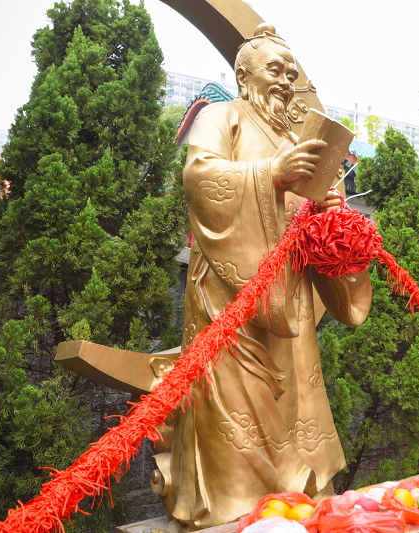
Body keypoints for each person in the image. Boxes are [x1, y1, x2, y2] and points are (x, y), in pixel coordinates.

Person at [150, 24, 372, 532]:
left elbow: (302, 222)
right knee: (235, 419)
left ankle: (294, 501)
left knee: (295, 412)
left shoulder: (295, 138)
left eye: (291, 74)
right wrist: (270, 174)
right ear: (244, 74)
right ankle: (234, 513)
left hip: (287, 308)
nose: (285, 83)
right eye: (275, 70)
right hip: (229, 306)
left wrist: (324, 210)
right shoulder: (220, 117)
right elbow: (199, 177)